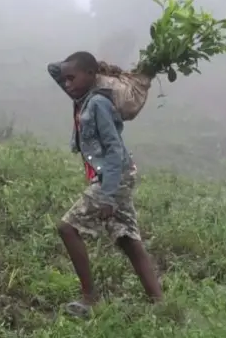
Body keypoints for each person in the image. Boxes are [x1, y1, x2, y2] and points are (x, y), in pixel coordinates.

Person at [47, 51, 163, 317]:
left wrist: (108, 196)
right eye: (65, 80)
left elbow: (113, 150)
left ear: (90, 76)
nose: (66, 84)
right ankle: (160, 304)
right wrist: (82, 70)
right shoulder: (82, 97)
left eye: (72, 78)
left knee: (67, 228)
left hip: (113, 176)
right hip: (120, 174)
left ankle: (90, 299)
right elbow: (54, 70)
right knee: (127, 239)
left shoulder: (98, 103)